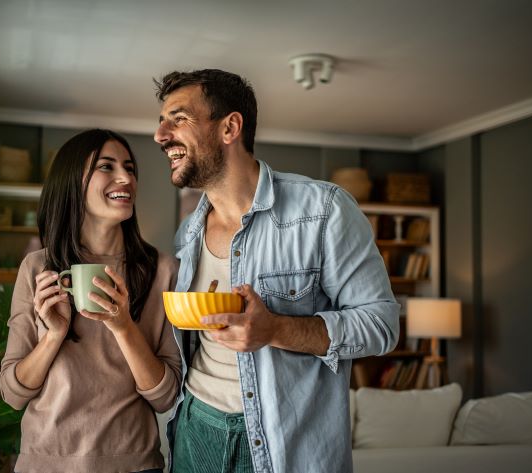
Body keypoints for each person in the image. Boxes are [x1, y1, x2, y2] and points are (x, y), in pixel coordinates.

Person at [153, 69, 400, 473]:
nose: (161, 135)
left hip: (280, 445)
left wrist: (276, 330)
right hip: (196, 429)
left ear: (230, 127)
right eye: (162, 121)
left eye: (178, 119)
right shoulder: (188, 232)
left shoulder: (324, 211)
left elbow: (381, 326)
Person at [0, 129, 182, 473]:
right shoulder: (38, 268)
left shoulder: (163, 271)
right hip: (45, 463)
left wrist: (124, 327)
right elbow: (13, 393)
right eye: (106, 167)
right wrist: (53, 335)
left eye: (129, 168)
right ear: (72, 182)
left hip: (134, 465)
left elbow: (165, 397)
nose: (125, 177)